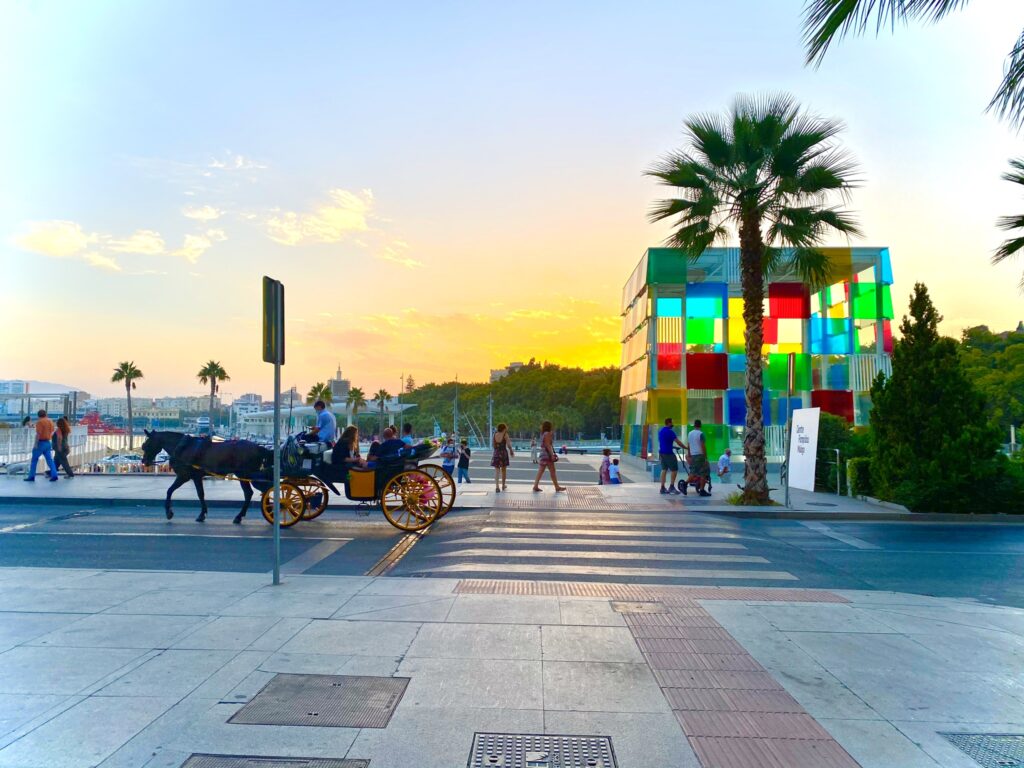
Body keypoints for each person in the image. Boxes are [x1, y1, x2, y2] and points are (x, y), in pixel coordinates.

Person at [25, 409, 59, 482]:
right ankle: (54, 475)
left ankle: (31, 476)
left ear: (38, 415)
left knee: (34, 460)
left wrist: (35, 444)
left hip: (41, 443)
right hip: (48, 443)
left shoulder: (40, 422)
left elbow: (38, 434)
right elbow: (52, 431)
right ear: (45, 414)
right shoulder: (50, 421)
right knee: (50, 460)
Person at [533, 420, 566, 492]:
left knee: (541, 470)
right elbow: (548, 445)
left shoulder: (543, 434)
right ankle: (557, 487)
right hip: (547, 455)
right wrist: (552, 455)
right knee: (552, 471)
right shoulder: (547, 434)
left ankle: (535, 486)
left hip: (543, 454)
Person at [658, 417, 685, 495]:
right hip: (669, 453)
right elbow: (678, 442)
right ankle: (671, 486)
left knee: (664, 469)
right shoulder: (670, 432)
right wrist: (685, 447)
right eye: (672, 422)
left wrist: (672, 446)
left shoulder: (661, 431)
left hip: (662, 453)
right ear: (669, 423)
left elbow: (665, 442)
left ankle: (662, 487)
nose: (673, 424)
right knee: (674, 470)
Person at [686, 419, 712, 497]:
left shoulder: (690, 434)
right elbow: (703, 446)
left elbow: (689, 445)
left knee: (693, 472)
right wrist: (706, 457)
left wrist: (689, 454)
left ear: (694, 425)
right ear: (700, 426)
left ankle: (685, 484)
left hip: (693, 455)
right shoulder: (701, 434)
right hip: (700, 455)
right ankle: (702, 490)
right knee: (703, 473)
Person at [491, 422, 513, 492]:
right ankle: (503, 485)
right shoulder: (505, 434)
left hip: (496, 453)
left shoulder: (495, 434)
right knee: (504, 470)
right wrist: (511, 451)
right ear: (503, 428)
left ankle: (497, 487)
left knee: (497, 471)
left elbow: (493, 444)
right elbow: (509, 445)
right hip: (503, 453)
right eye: (505, 428)